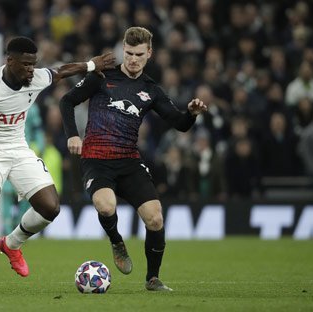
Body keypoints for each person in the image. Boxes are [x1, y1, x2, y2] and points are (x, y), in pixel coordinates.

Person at [0, 36, 115, 293]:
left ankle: (11, 244)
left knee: (50, 207)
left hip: (19, 149)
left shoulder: (35, 77)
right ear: (9, 61)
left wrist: (91, 65)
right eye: (25, 64)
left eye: (33, 64)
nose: (30, 70)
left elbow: (59, 72)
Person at [59, 27, 207, 291]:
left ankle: (153, 278)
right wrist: (72, 135)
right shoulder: (101, 77)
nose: (133, 59)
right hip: (96, 158)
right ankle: (117, 241)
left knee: (155, 218)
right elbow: (67, 101)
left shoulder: (151, 90)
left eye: (139, 54)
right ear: (122, 50)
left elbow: (179, 123)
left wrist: (191, 113)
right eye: (128, 53)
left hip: (128, 161)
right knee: (106, 206)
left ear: (149, 53)